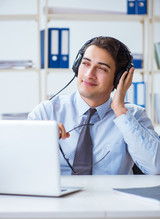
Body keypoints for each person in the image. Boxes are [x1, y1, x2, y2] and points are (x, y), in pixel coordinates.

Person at [28, 36, 160, 175]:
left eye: (102, 68)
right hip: (58, 195)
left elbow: (156, 168)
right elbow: (17, 161)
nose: (89, 74)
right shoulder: (46, 112)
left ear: (119, 78)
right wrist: (42, 137)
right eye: (85, 63)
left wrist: (120, 110)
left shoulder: (134, 116)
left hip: (111, 196)